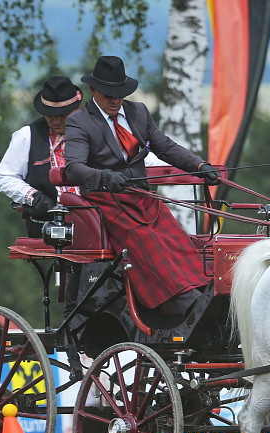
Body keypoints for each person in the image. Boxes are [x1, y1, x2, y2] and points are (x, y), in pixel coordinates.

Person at [64, 55, 221, 312]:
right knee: (148, 241)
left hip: (142, 197)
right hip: (106, 201)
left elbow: (165, 147)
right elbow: (73, 167)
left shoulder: (138, 112)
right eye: (108, 94)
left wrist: (200, 166)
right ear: (93, 90)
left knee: (176, 239)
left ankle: (200, 290)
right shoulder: (79, 121)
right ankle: (178, 301)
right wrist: (103, 176)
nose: (115, 100)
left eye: (119, 94)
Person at [0, 75, 83, 237]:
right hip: (47, 224)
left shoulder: (93, 132)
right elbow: (4, 177)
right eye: (50, 115)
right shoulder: (27, 135)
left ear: (76, 110)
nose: (56, 121)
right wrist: (34, 197)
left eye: (63, 115)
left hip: (92, 220)